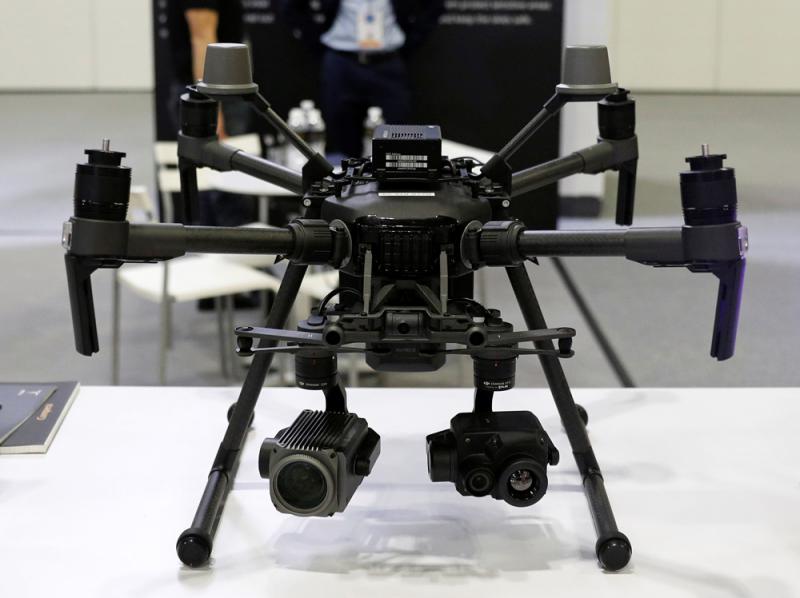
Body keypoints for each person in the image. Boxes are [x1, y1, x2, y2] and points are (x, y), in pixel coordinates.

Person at [278, 0, 445, 159]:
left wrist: (411, 40)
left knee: (396, 142)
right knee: (341, 143)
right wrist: (316, 40)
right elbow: (291, 7)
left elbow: (434, 6)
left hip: (388, 62)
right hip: (342, 62)